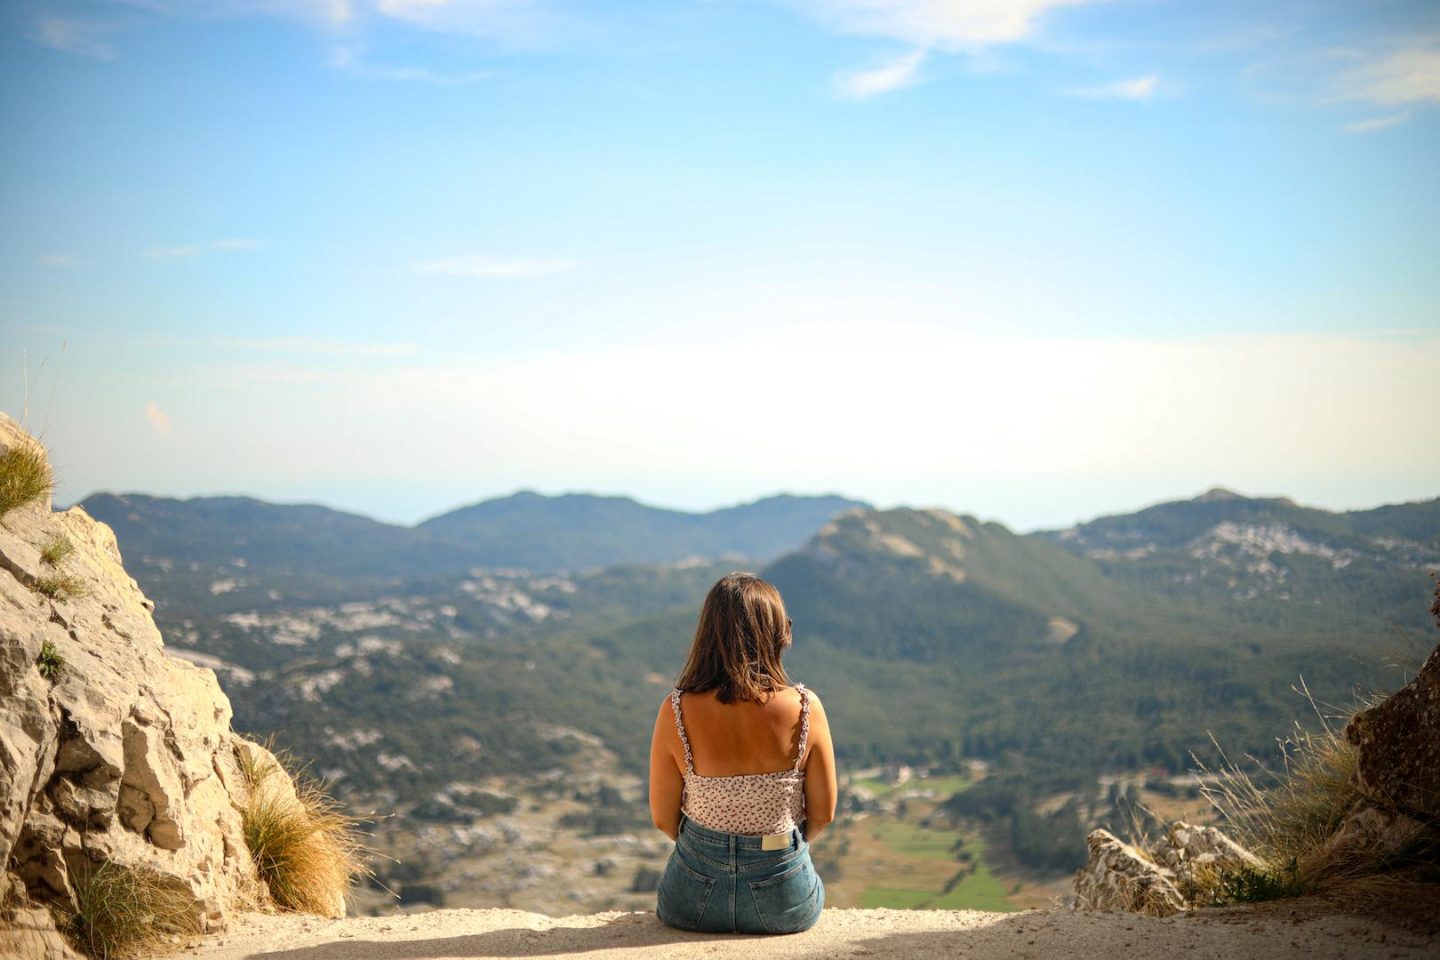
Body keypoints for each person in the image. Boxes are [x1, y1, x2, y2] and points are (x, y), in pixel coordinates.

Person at [648, 572, 837, 935]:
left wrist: (714, 849)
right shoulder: (805, 708)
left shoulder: (675, 711)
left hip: (690, 901)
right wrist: (772, 846)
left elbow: (662, 819)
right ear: (775, 633)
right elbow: (823, 814)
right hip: (784, 900)